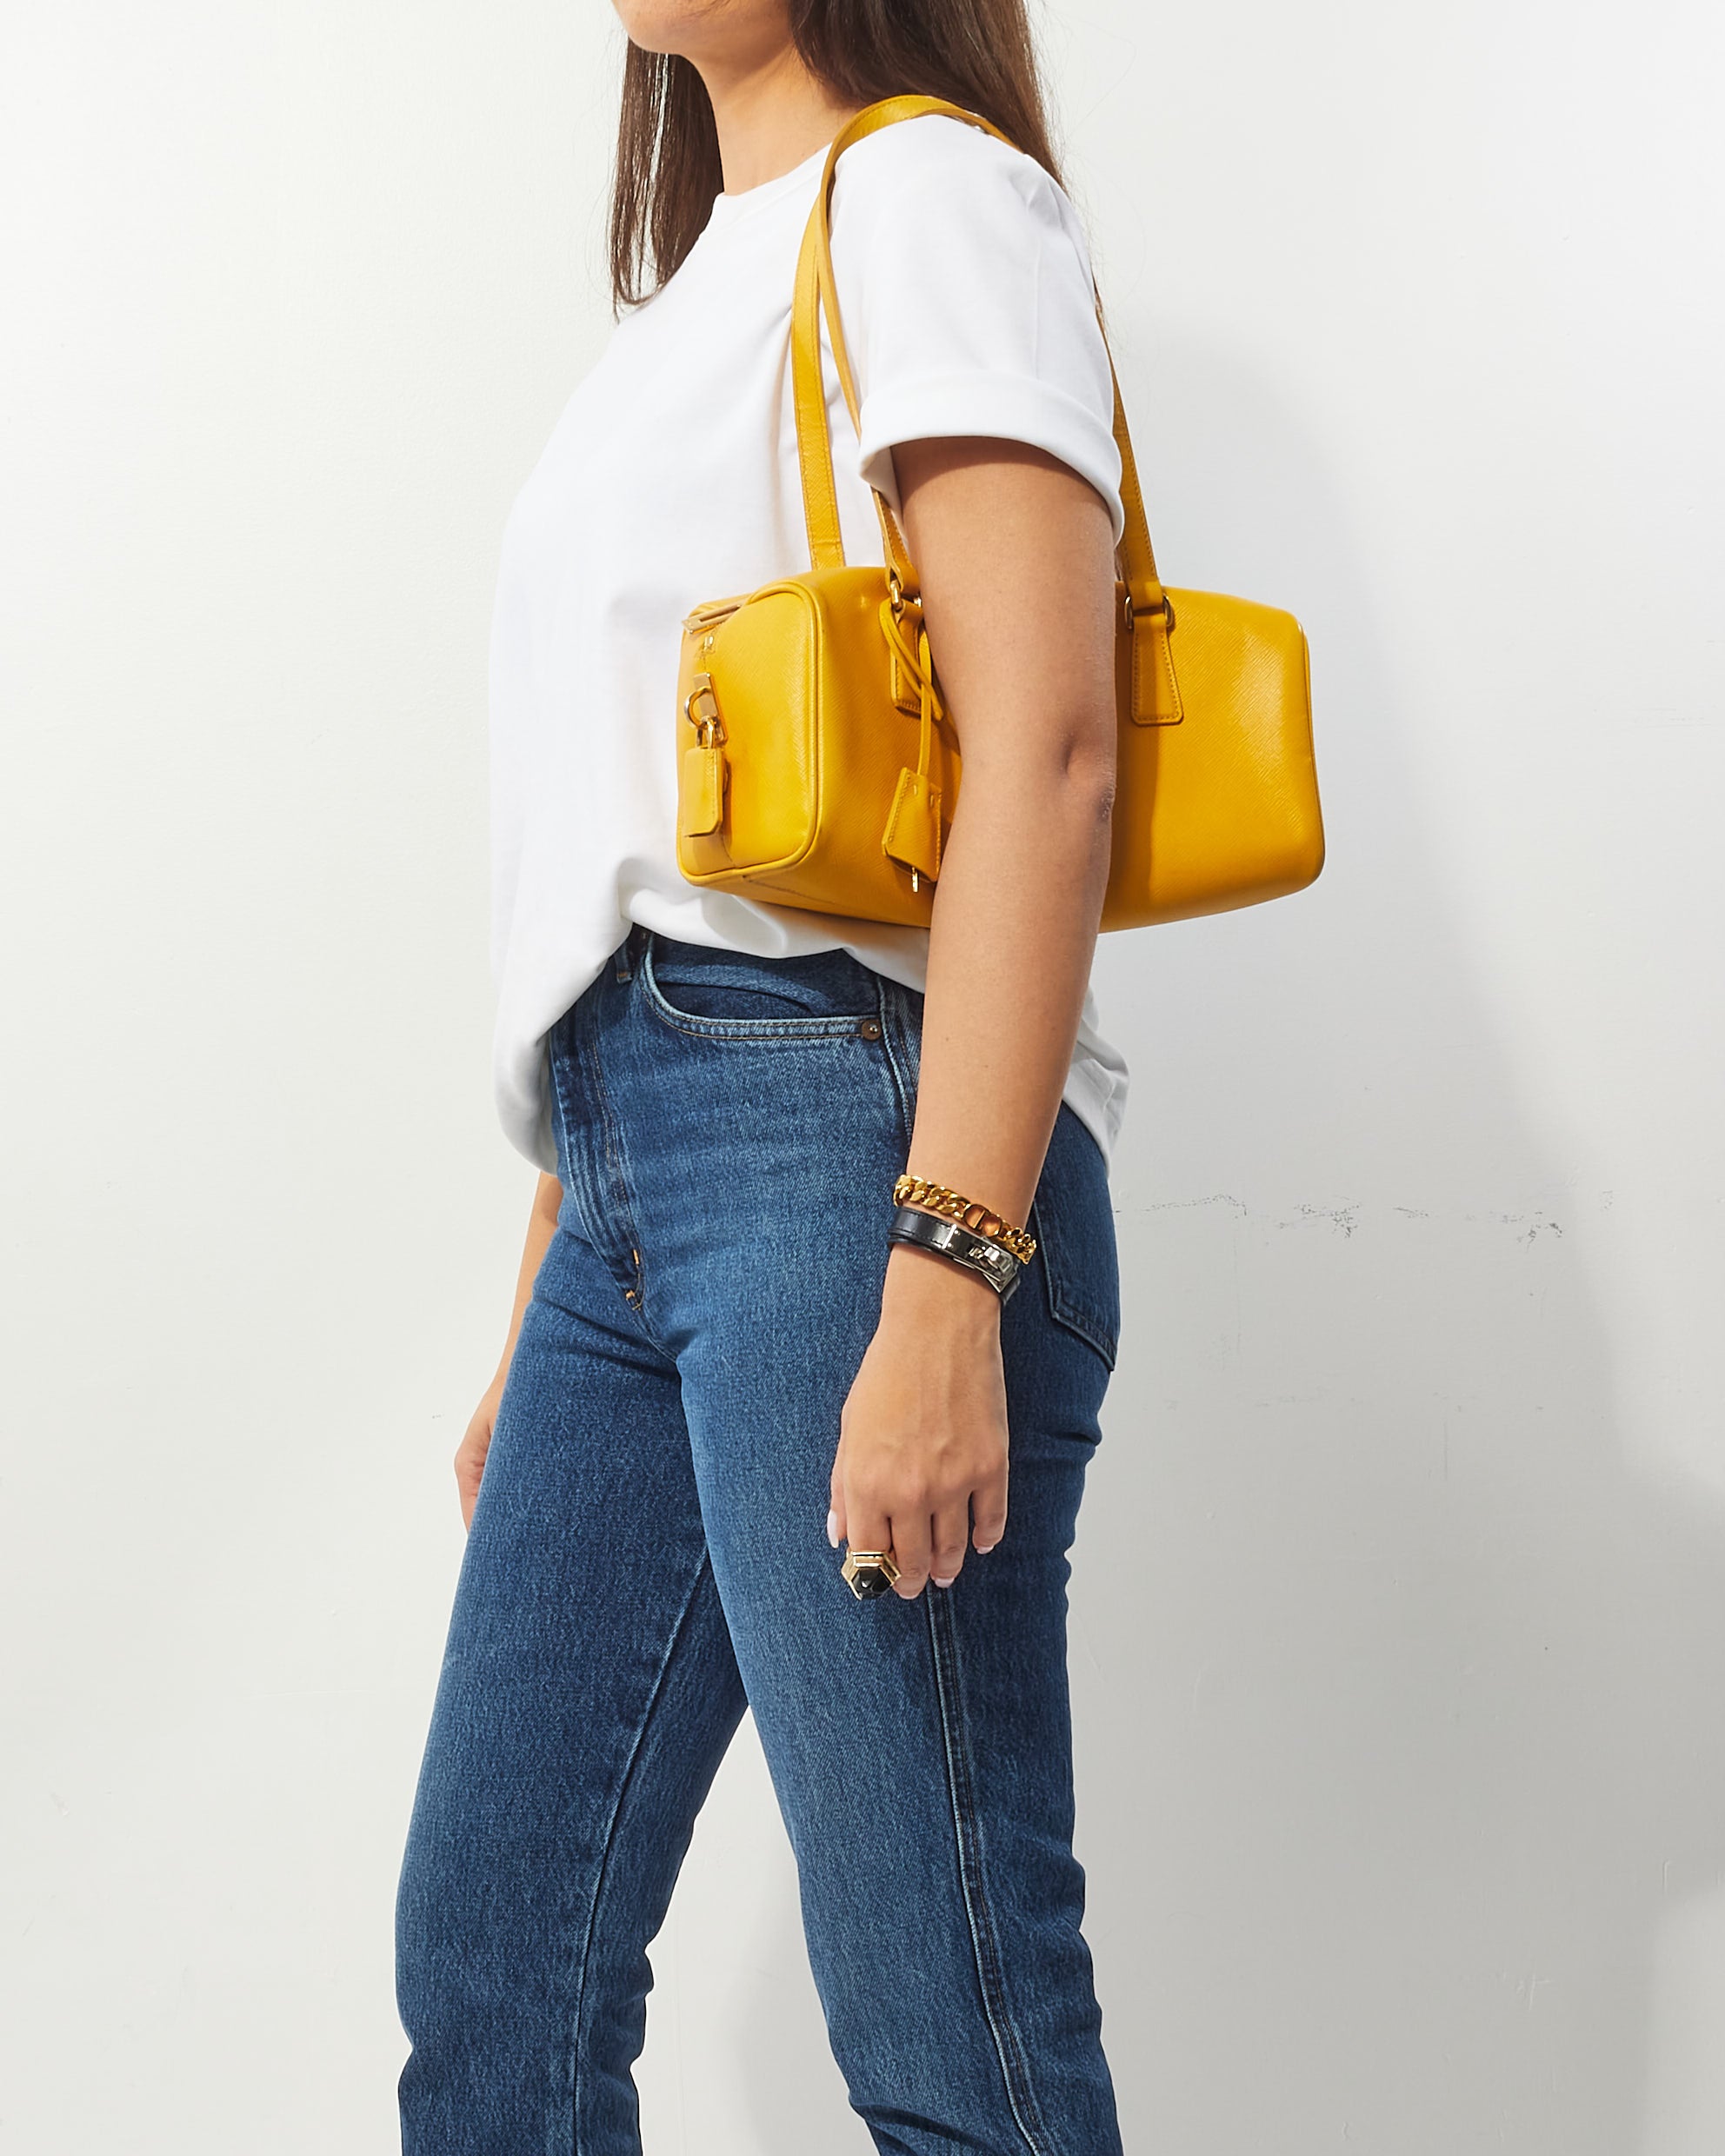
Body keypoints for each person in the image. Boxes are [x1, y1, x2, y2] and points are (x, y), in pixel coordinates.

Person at [395, 1, 1133, 2149]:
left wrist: (951, 1268)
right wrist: (554, 1285)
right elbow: (622, 858)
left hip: (851, 1146)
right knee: (494, 1969)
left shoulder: (930, 196)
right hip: (629, 1185)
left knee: (944, 2015)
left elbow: (1048, 754)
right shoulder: (703, 293)